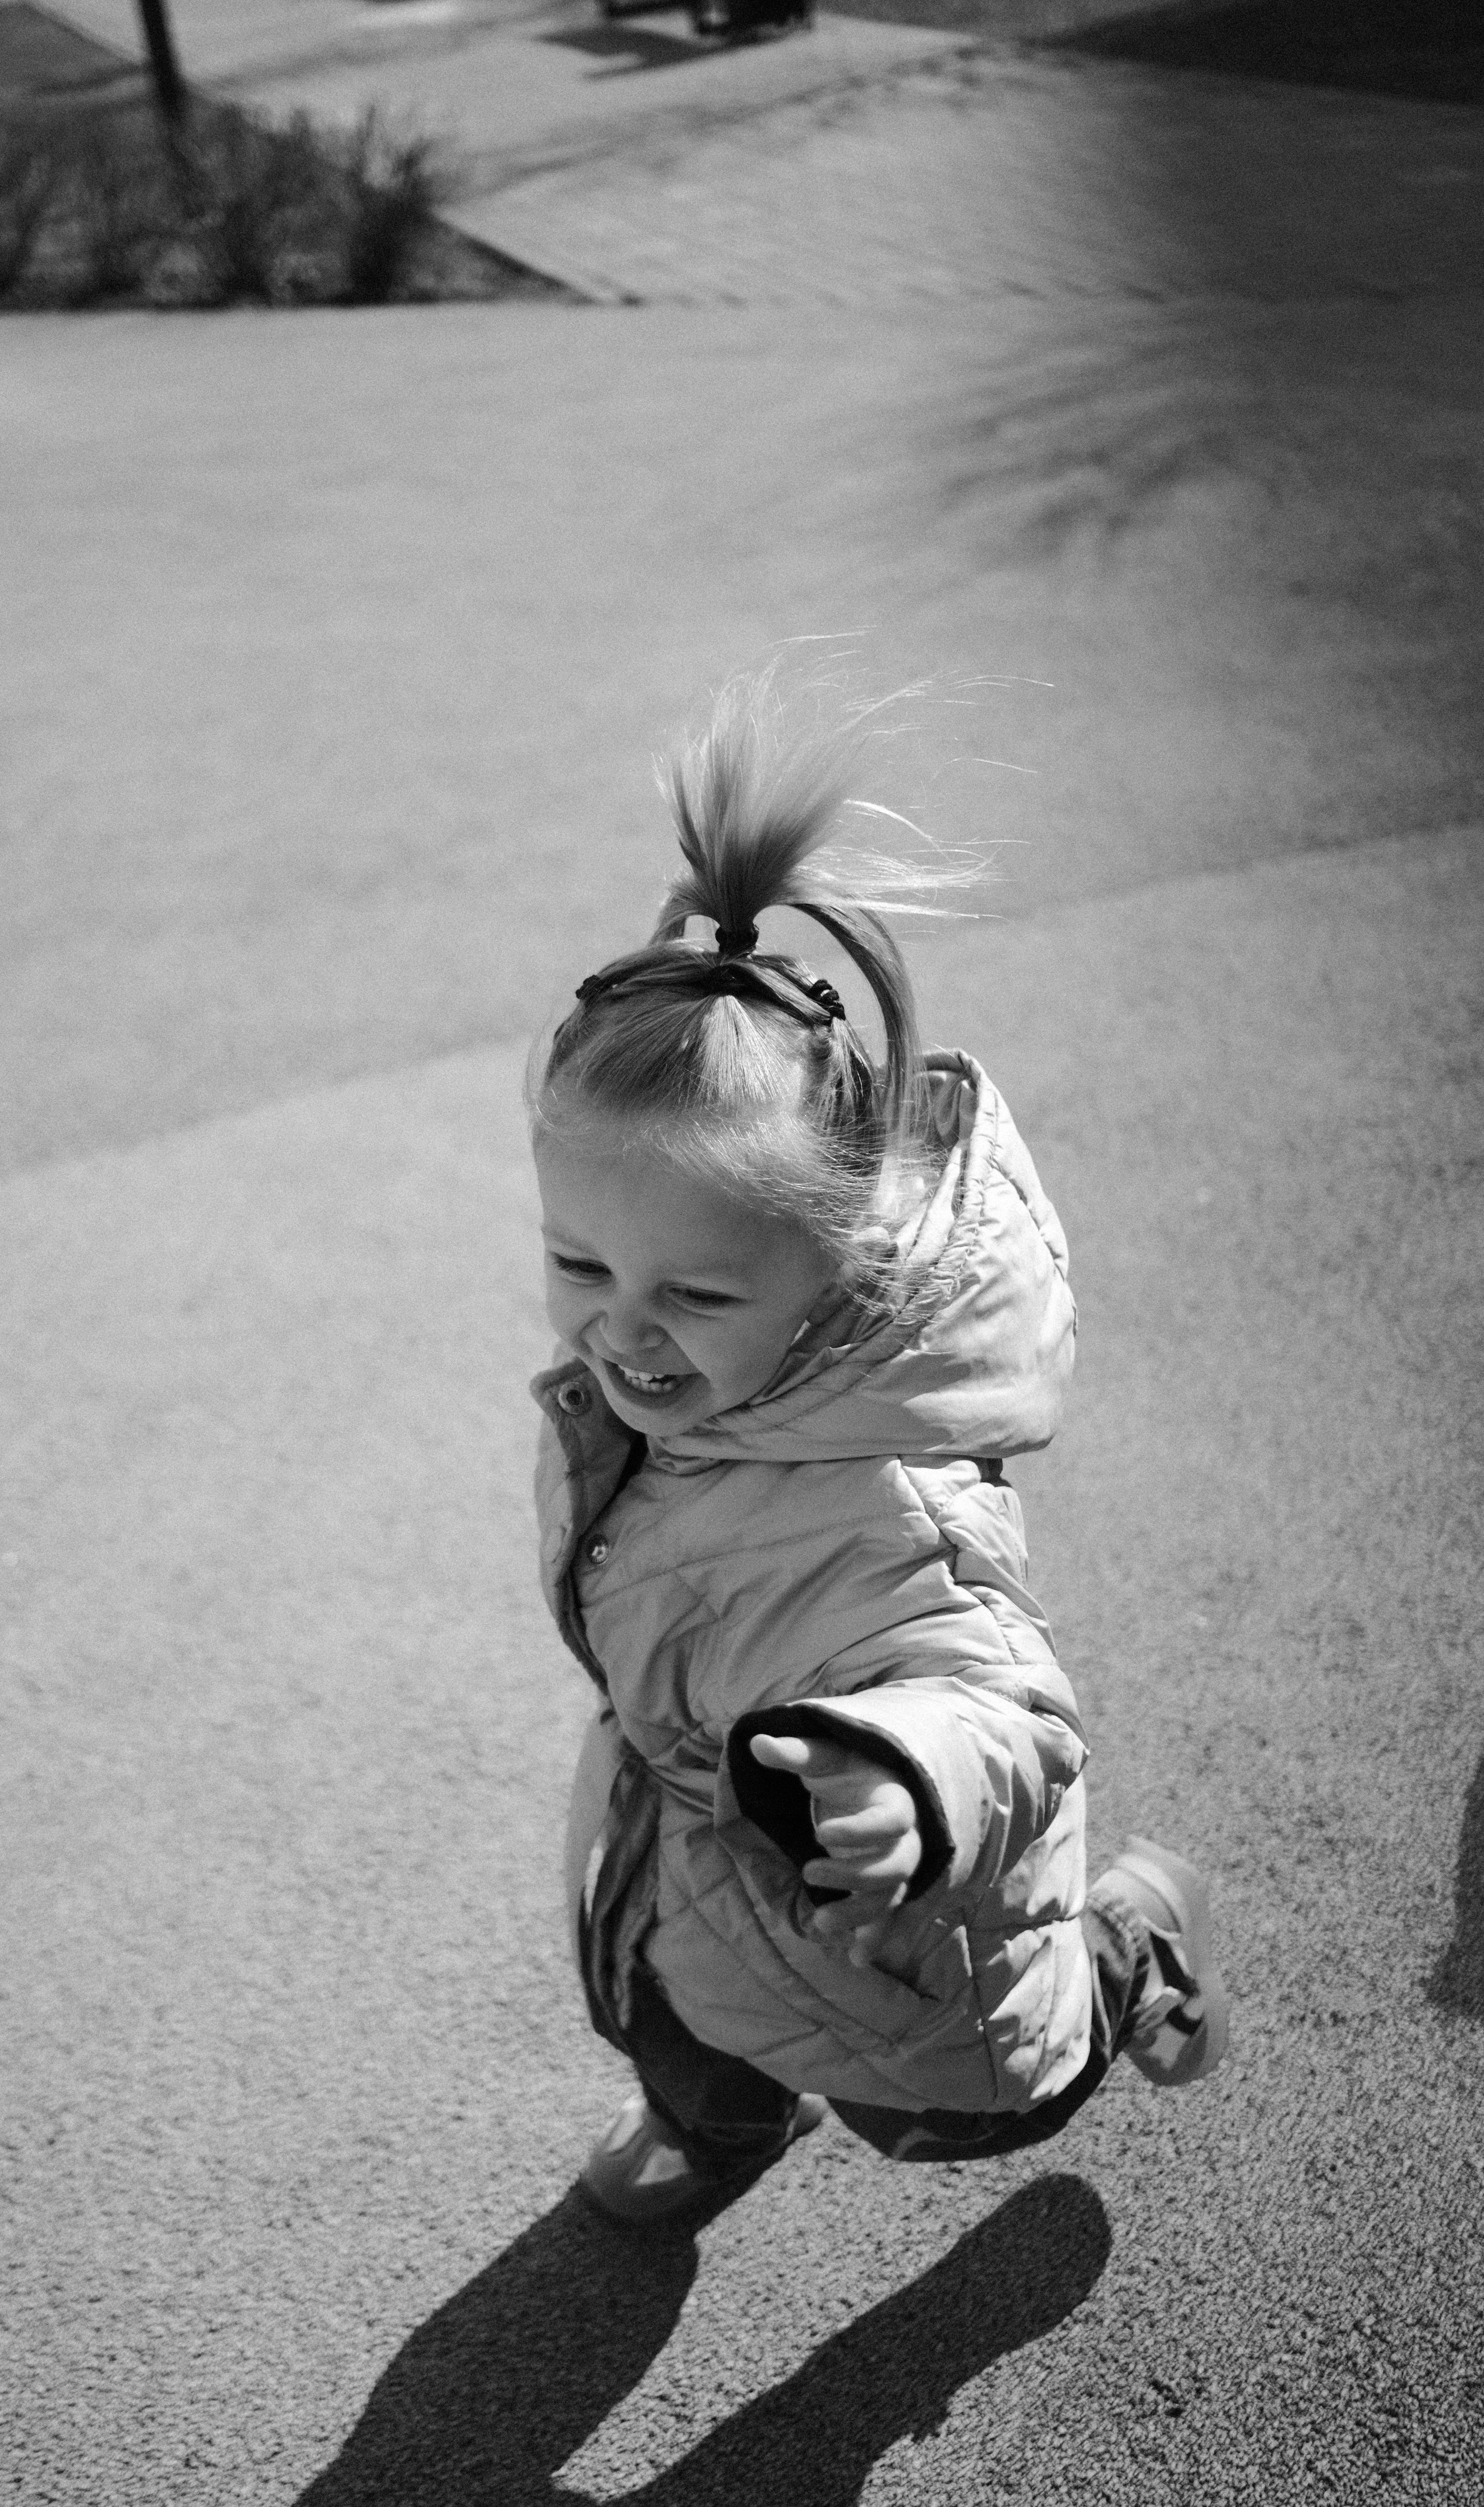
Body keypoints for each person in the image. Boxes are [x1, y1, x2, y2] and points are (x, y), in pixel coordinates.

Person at [528, 676, 1228, 2223]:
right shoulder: (687, 1391)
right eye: (578, 1263)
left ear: (836, 1269)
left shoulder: (887, 1499)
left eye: (695, 1295)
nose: (619, 1332)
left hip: (892, 1913)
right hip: (690, 1837)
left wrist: (909, 1781)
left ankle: (1129, 1949)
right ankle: (717, 2127)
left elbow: (1005, 1706)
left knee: (962, 2120)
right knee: (663, 2003)